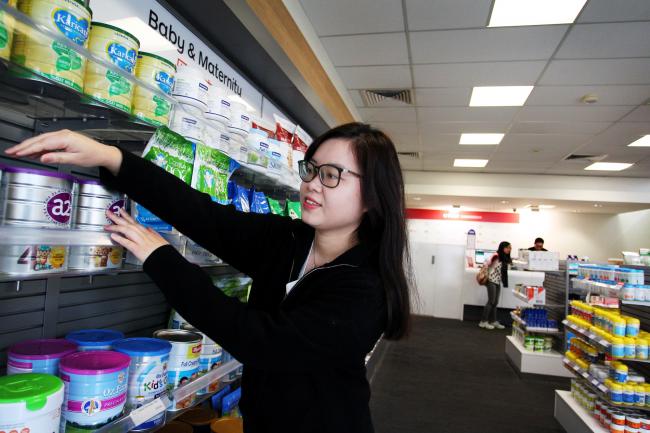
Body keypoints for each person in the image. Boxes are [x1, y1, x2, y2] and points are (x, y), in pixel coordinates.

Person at [6, 122, 412, 433]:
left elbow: (260, 340)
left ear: (373, 195)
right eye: (311, 169)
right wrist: (112, 158)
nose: (311, 184)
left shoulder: (365, 286)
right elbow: (205, 217)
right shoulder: (290, 239)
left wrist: (160, 257)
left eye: (331, 175)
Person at [478, 241, 512, 330]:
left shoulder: (504, 257)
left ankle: (493, 321)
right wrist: (485, 271)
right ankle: (483, 321)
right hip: (491, 280)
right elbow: (486, 263)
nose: (509, 249)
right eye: (508, 247)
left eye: (510, 248)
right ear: (503, 247)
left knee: (495, 302)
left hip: (497, 281)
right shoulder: (496, 255)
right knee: (491, 301)